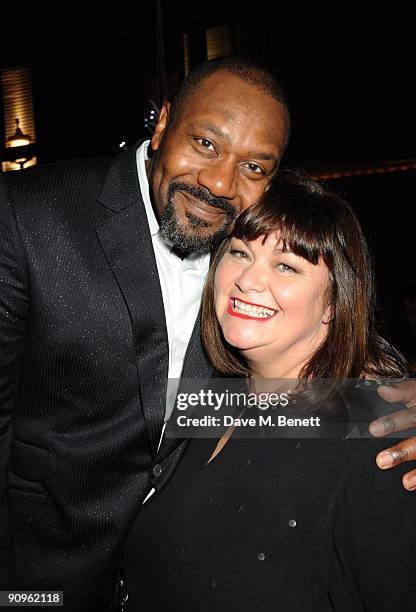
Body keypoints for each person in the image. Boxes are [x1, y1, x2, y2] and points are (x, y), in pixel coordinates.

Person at [0, 57, 415, 610]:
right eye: (206, 143)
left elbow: (234, 400)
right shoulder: (30, 215)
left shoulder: (241, 239)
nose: (220, 182)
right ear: (164, 120)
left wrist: (388, 398)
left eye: (255, 167)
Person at [123, 172, 416, 610]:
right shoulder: (206, 401)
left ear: (335, 303)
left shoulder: (379, 437)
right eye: (239, 252)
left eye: (286, 265)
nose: (248, 280)